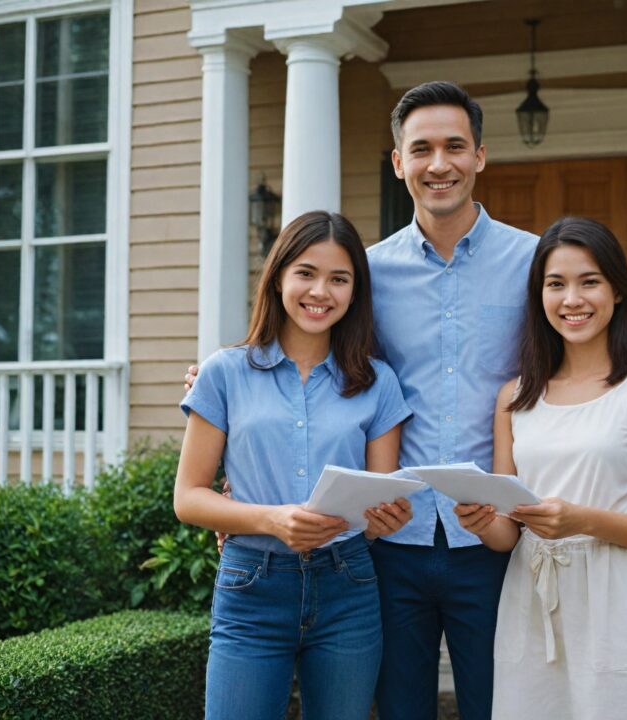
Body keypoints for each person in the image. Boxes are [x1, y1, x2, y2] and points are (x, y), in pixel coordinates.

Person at [185, 81, 627, 720]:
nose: (439, 164)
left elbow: (582, 333)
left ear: (479, 155)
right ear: (398, 162)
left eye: (455, 146)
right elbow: (310, 360)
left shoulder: (533, 263)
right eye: (421, 149)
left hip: (495, 541)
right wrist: (222, 391)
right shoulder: (364, 274)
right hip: (390, 542)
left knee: (501, 706)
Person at [455, 217, 627, 719]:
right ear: (538, 296)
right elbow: (508, 532)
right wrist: (480, 521)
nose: (572, 300)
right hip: (528, 603)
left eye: (589, 281)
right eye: (556, 284)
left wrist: (582, 521)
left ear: (618, 290)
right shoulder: (515, 398)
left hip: (617, 603)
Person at [174, 211, 414, 720]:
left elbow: (379, 495)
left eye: (339, 279)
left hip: (348, 587)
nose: (320, 291)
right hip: (251, 586)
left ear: (355, 291)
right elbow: (188, 498)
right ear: (279, 276)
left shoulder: (378, 383)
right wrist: (271, 519)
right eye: (306, 273)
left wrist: (385, 518)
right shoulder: (223, 373)